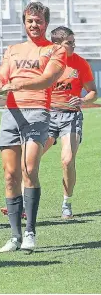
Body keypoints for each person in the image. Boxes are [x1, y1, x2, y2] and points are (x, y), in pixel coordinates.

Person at [0, 2, 67, 253]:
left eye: (38, 21)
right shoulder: (13, 49)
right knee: (10, 175)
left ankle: (30, 232)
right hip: (11, 113)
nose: (34, 25)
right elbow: (3, 74)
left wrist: (19, 86)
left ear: (46, 23)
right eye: (29, 21)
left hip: (37, 112)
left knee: (29, 169)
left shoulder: (55, 50)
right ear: (24, 22)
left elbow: (48, 78)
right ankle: (14, 236)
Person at [45, 26, 98, 218]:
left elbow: (93, 92)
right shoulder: (45, 62)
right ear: (56, 44)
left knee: (67, 160)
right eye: (69, 42)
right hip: (47, 116)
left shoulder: (80, 63)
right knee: (30, 160)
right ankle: (24, 203)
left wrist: (83, 100)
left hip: (71, 116)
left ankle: (67, 202)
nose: (73, 45)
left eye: (73, 42)